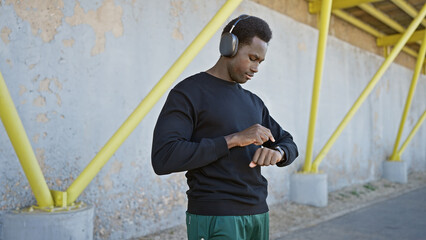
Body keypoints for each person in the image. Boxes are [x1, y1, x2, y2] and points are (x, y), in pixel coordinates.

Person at [151, 15, 298, 240]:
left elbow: (288, 142)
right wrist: (233, 140)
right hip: (216, 216)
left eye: (260, 62)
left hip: (258, 213)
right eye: (252, 58)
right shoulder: (188, 93)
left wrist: (278, 153)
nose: (256, 68)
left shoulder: (254, 102)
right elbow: (164, 157)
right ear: (229, 46)